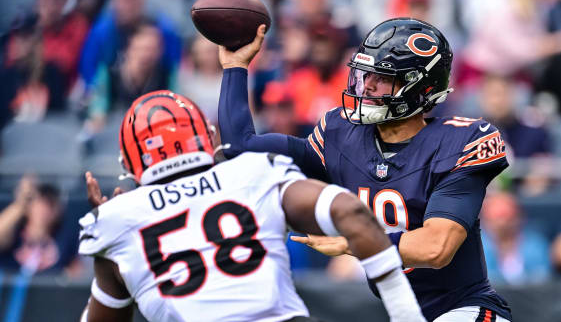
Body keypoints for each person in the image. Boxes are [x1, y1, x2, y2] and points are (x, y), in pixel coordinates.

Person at [218, 18, 512, 321]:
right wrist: (235, 67)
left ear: (419, 86)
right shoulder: (340, 133)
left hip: (466, 309)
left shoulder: (459, 141)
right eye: (365, 74)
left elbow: (436, 247)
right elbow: (240, 148)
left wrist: (356, 242)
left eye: (382, 77)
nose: (367, 84)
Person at [78, 91, 425, 322]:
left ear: (128, 162)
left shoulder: (116, 220)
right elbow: (349, 213)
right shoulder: (254, 173)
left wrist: (114, 235)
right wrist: (406, 313)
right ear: (209, 137)